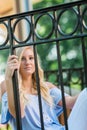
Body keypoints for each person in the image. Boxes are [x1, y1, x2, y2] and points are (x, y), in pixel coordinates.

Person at [0, 46, 87, 130]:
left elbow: (70, 102)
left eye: (31, 58)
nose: (27, 62)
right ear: (16, 62)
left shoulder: (46, 87)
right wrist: (9, 77)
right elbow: (18, 113)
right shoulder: (7, 85)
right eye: (22, 59)